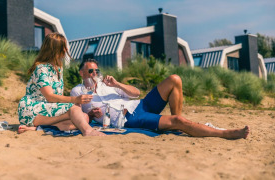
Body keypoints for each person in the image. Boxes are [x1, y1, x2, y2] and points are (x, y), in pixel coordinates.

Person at [70, 58, 250, 139]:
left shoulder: (107, 84)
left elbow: (136, 94)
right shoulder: (77, 91)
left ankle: (176, 125)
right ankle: (225, 133)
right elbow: (79, 113)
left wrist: (117, 84)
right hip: (128, 118)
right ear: (82, 72)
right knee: (178, 120)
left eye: (97, 70)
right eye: (91, 71)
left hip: (140, 105)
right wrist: (93, 116)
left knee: (174, 79)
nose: (95, 73)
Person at [18, 33, 105, 136]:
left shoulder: (59, 68)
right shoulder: (41, 69)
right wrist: (75, 99)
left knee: (84, 117)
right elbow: (50, 97)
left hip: (48, 109)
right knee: (75, 109)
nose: (65, 50)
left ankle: (37, 129)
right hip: (33, 110)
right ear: (54, 49)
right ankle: (88, 131)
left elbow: (57, 98)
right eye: (62, 47)